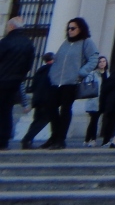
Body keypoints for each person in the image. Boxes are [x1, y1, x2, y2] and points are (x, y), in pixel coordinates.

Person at [46, 16, 99, 149]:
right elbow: (58, 60)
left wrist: (81, 72)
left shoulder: (86, 42)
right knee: (50, 108)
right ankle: (54, 136)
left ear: (80, 29)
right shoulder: (65, 43)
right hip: (56, 81)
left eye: (73, 28)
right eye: (68, 28)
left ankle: (60, 139)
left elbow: (94, 58)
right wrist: (52, 73)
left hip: (71, 82)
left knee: (65, 110)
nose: (70, 31)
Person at [0, 16, 34, 150]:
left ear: (11, 27)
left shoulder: (5, 42)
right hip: (16, 81)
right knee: (7, 110)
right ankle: (4, 139)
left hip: (2, 79)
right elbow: (29, 64)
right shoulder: (28, 43)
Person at [20, 52, 57, 149]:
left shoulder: (39, 71)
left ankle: (27, 140)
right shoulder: (54, 70)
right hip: (47, 99)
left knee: (37, 121)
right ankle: (27, 139)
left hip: (37, 99)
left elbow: (33, 87)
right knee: (43, 120)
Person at [82, 55, 109, 146]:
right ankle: (92, 139)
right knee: (94, 120)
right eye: (100, 62)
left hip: (103, 99)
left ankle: (87, 139)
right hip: (94, 99)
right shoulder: (93, 73)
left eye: (104, 61)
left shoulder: (108, 74)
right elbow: (87, 83)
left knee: (95, 120)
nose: (102, 63)